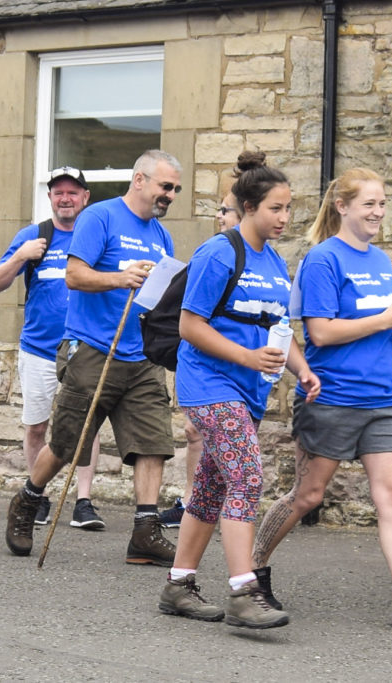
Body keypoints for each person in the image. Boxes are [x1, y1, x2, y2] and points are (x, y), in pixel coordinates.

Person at [251, 167, 392, 633]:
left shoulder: (381, 260)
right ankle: (254, 570)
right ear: (342, 207)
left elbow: (387, 324)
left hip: (383, 398)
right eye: (369, 204)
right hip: (333, 397)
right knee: (308, 495)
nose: (378, 212)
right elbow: (319, 332)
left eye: (382, 204)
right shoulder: (322, 260)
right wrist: (387, 319)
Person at [158, 152, 319, 628]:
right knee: (247, 478)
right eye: (276, 208)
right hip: (208, 386)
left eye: (289, 208)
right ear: (249, 207)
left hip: (248, 391)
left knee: (209, 489)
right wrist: (247, 357)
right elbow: (189, 325)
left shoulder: (274, 262)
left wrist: (302, 369)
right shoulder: (218, 252)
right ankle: (243, 592)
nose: (285, 218)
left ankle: (179, 585)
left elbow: (279, 327)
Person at [3, 149, 182, 565]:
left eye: (174, 189)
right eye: (164, 186)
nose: (170, 195)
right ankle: (27, 501)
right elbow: (74, 275)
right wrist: (122, 277)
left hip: (142, 355)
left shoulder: (161, 235)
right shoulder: (99, 217)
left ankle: (144, 531)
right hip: (94, 350)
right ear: (139, 180)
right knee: (67, 443)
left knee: (152, 443)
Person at [0, 166, 103, 530]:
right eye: (58, 192)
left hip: (84, 347)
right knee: (37, 427)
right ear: (50, 198)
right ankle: (37, 497)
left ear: (86, 197)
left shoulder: (95, 234)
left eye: (73, 192)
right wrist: (21, 254)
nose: (65, 198)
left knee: (88, 427)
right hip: (38, 348)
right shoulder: (35, 235)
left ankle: (84, 501)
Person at [161, 189, 245, 529]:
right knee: (195, 431)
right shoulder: (215, 252)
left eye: (225, 210)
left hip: (238, 372)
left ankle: (199, 506)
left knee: (204, 439)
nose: (219, 217)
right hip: (204, 367)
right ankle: (191, 500)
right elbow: (190, 320)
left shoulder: (258, 257)